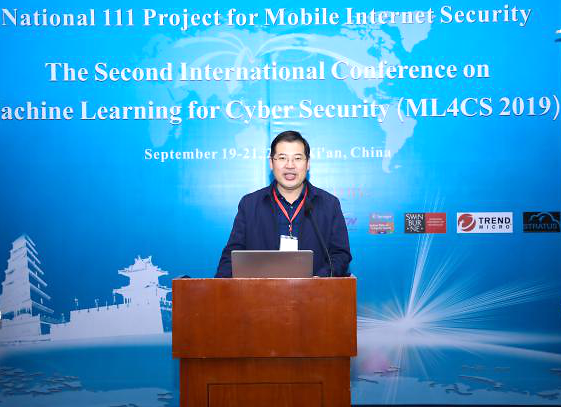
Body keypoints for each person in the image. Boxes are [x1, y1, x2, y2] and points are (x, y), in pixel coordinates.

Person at [216, 130, 352, 278]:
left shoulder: (329, 204)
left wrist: (320, 279)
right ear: (271, 163)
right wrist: (219, 287)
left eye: (297, 158)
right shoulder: (250, 204)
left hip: (315, 290)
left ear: (308, 163)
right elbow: (232, 256)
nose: (290, 165)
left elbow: (340, 254)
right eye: (282, 158)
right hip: (261, 290)